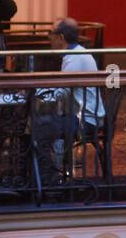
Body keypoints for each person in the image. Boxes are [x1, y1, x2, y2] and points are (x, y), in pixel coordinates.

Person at [33, 18, 106, 182]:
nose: (48, 37)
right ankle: (51, 174)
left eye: (50, 33)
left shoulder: (74, 58)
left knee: (39, 129)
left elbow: (61, 94)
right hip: (90, 116)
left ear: (61, 37)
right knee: (44, 125)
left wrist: (36, 93)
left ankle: (52, 177)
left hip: (85, 120)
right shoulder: (78, 53)